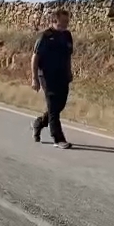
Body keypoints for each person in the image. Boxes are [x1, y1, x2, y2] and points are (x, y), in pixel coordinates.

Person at [30, 8, 74, 149]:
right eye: (64, 21)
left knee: (59, 106)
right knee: (54, 107)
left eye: (67, 21)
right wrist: (34, 78)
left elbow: (67, 56)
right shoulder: (45, 36)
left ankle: (39, 123)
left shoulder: (67, 35)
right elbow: (34, 58)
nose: (66, 23)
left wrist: (70, 71)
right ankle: (58, 138)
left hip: (63, 76)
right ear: (55, 20)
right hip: (47, 77)